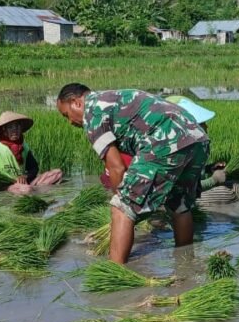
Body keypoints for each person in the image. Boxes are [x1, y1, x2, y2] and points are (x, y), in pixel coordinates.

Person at [56, 84, 210, 264]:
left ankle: (115, 272)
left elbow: (117, 168)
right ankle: (185, 264)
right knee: (179, 204)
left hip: (165, 140)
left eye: (66, 115)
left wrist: (122, 207)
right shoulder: (112, 97)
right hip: (198, 138)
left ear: (76, 102)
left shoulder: (92, 114)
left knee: (121, 208)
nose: (70, 121)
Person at [166, 95, 239, 206]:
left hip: (186, 192)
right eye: (201, 124)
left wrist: (209, 168)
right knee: (225, 193)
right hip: (173, 198)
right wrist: (214, 179)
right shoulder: (174, 150)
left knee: (235, 185)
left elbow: (189, 172)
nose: (206, 127)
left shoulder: (190, 146)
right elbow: (182, 185)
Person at [0, 111, 63, 195]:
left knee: (57, 173)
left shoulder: (24, 146)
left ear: (21, 128)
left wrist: (25, 176)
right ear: (4, 130)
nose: (15, 130)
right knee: (26, 190)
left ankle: (35, 189)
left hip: (24, 182)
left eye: (17, 126)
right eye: (10, 127)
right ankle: (37, 190)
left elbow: (34, 168)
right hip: (6, 185)